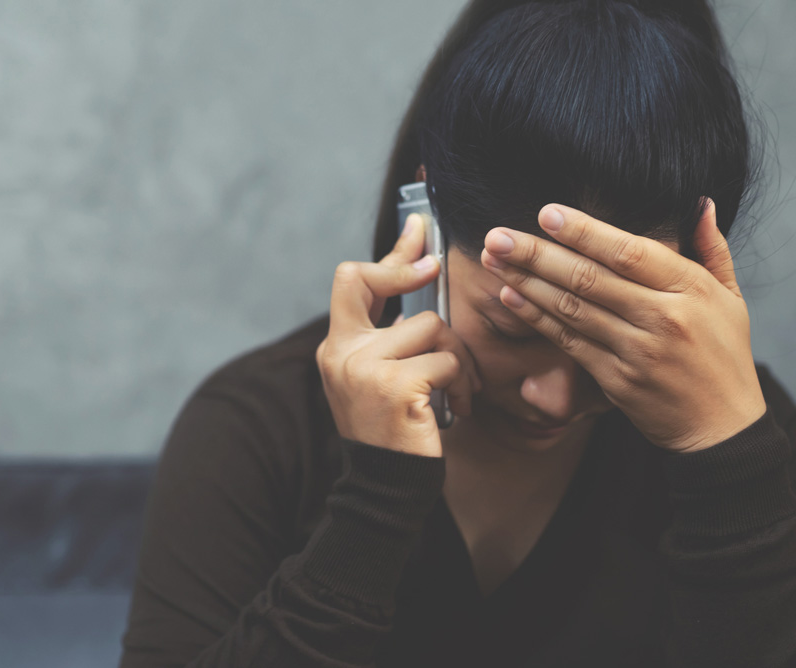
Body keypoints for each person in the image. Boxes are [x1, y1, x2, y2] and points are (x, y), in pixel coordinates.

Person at [121, 0, 796, 665]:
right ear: (428, 219)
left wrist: (729, 466)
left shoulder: (742, 436)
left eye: (612, 340)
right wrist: (377, 500)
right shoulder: (260, 427)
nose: (554, 398)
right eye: (512, 327)